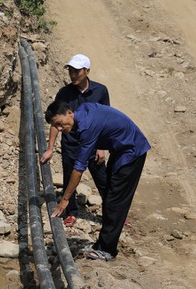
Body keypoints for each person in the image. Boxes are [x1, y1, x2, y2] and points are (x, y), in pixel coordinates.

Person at [44, 100, 150, 261]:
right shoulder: (82, 114)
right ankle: (102, 243)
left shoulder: (86, 127)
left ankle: (107, 250)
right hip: (120, 149)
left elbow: (79, 168)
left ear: (70, 113)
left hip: (132, 151)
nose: (60, 129)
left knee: (115, 200)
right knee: (110, 193)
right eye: (56, 126)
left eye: (60, 123)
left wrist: (65, 199)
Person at [41, 54, 110, 228]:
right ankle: (71, 212)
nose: (72, 75)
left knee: (103, 180)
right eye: (70, 71)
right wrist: (50, 148)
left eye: (76, 71)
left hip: (93, 145)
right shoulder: (64, 93)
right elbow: (56, 123)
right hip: (71, 144)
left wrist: (102, 147)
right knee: (69, 177)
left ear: (87, 71)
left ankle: (114, 214)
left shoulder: (101, 91)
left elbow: (105, 119)